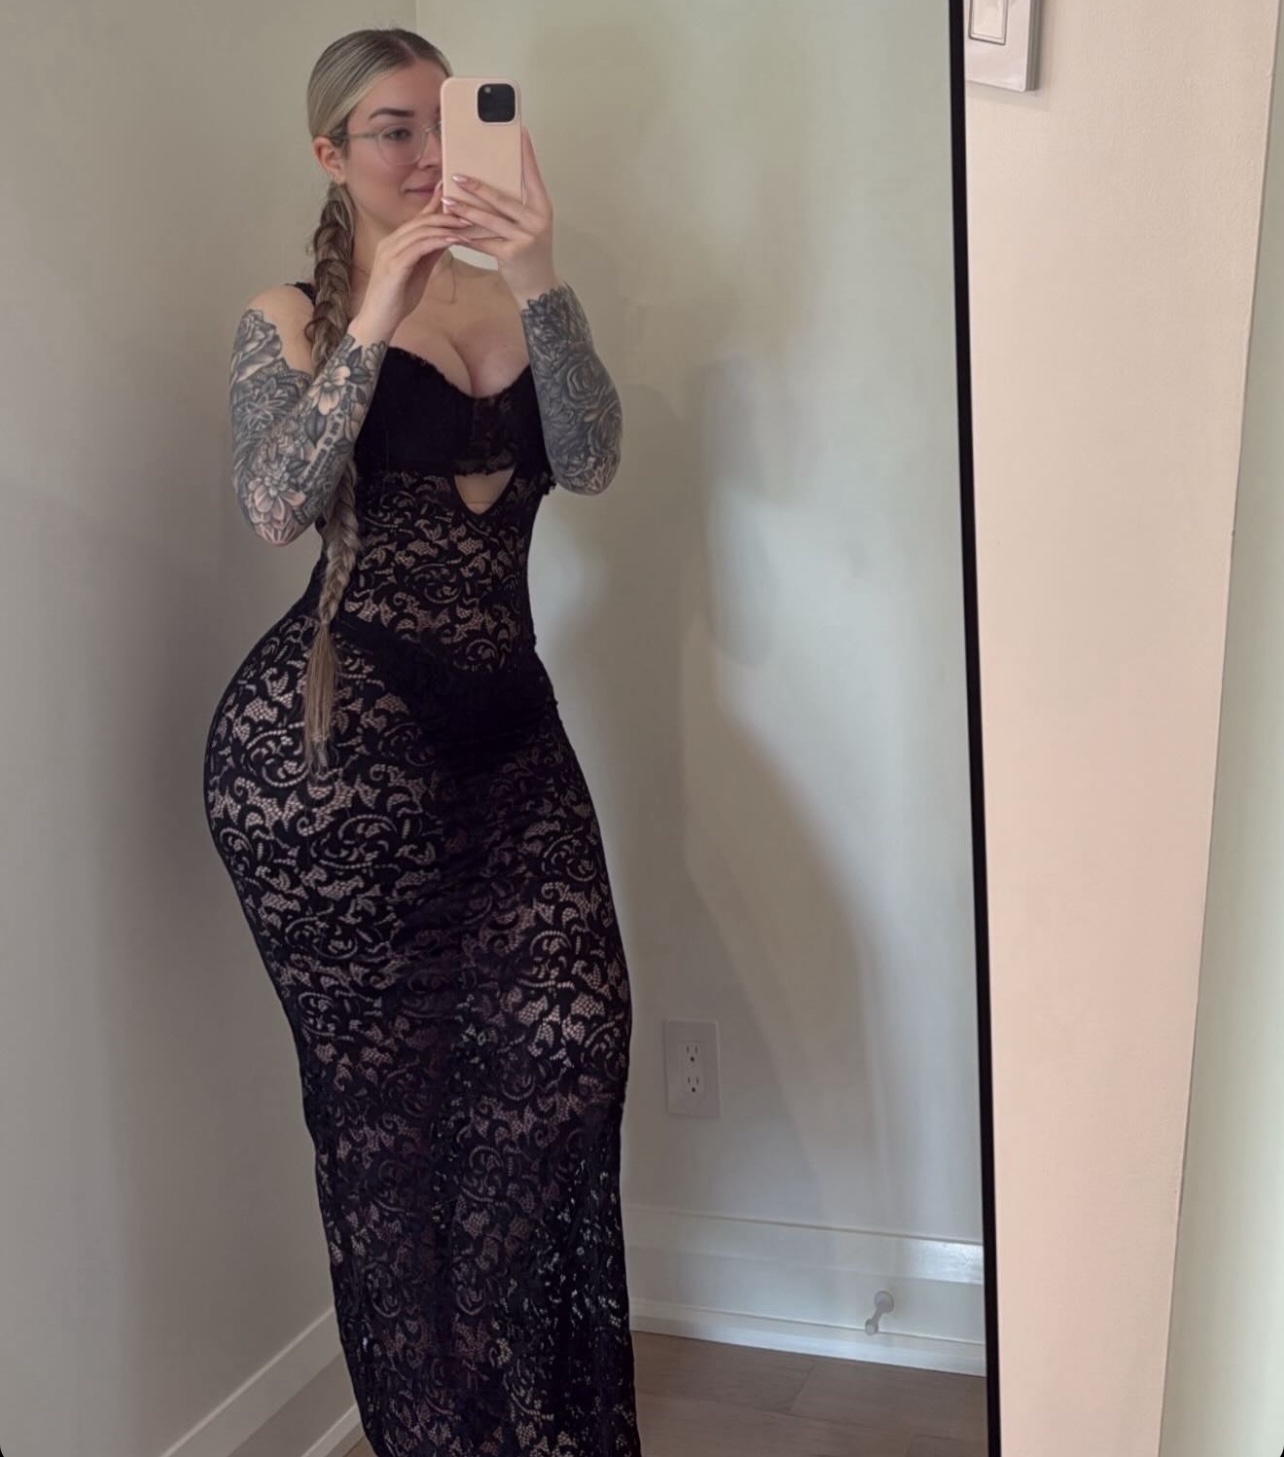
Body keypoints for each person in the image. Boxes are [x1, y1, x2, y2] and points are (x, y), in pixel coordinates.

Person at [201, 27, 641, 1457]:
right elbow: (275, 502)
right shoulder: (289, 314)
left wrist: (540, 267)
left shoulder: (516, 294)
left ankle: (513, 1405)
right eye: (393, 129)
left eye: (444, 121)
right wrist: (375, 315)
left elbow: (593, 458)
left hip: (509, 724)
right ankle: (440, 1434)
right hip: (334, 749)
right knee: (389, 1121)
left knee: (573, 1049)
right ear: (330, 153)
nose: (429, 154)